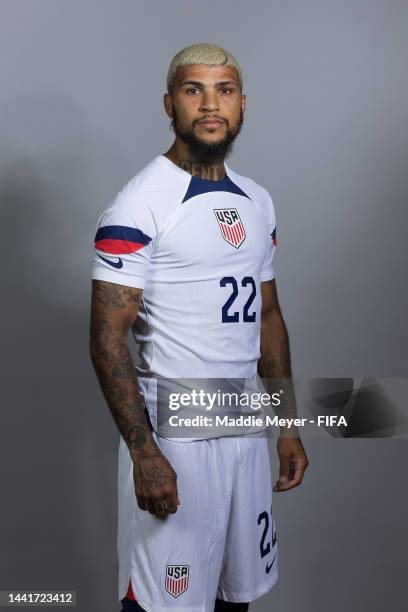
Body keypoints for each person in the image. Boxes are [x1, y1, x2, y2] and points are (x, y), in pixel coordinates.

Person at [89, 42, 309, 612]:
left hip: (244, 426)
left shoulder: (258, 201)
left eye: (225, 91)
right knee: (166, 602)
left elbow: (269, 318)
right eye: (194, 91)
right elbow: (107, 336)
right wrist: (144, 454)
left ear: (242, 106)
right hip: (176, 433)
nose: (211, 105)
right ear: (170, 104)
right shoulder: (139, 204)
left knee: (238, 595)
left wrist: (287, 425)